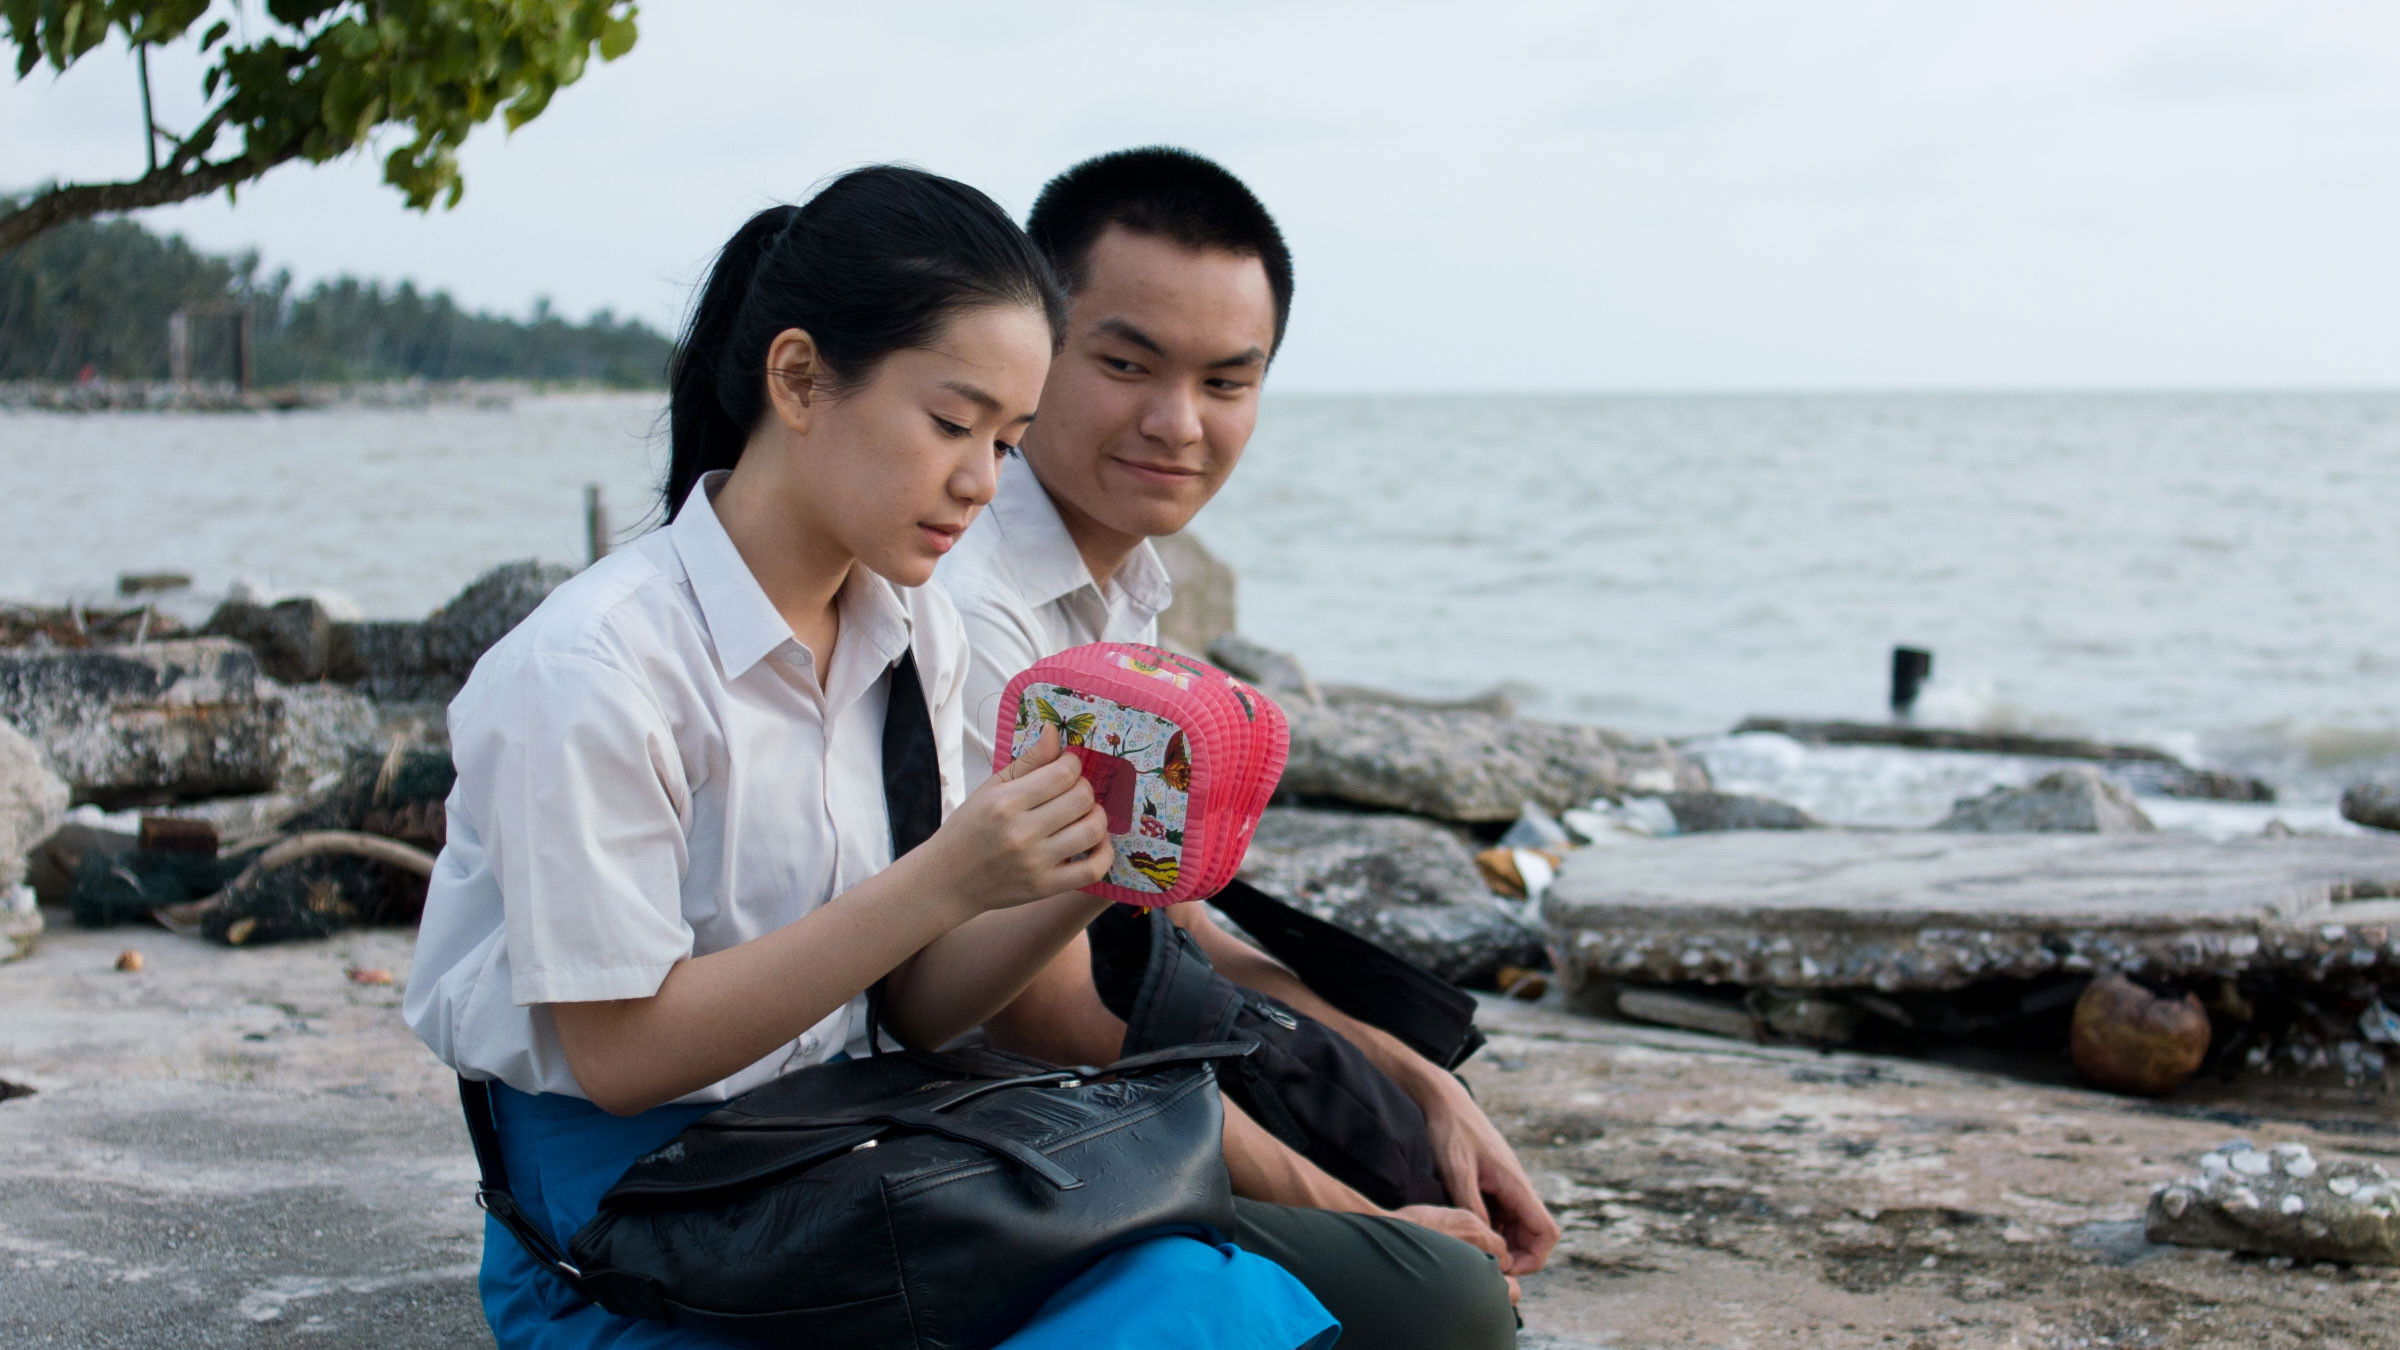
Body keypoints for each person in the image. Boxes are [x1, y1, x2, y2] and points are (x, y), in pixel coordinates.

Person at [404, 165, 1336, 1350]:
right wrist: (946, 877)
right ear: (797, 378)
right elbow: (624, 1055)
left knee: (1207, 1297)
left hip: (838, 1154)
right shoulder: (593, 667)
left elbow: (917, 1009)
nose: (980, 483)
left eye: (1007, 441)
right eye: (951, 425)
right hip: (629, 1236)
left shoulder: (911, 628)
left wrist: (1089, 864)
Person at [937, 147, 1554, 1349]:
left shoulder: (1124, 592)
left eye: (1227, 381)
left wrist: (1422, 1082)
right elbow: (1037, 1015)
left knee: (1411, 1134)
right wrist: (1354, 1215)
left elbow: (1184, 930)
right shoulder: (973, 608)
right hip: (978, 1102)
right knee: (1446, 1301)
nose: (1178, 424)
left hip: (1088, 1059)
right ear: (1029, 348)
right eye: (1126, 365)